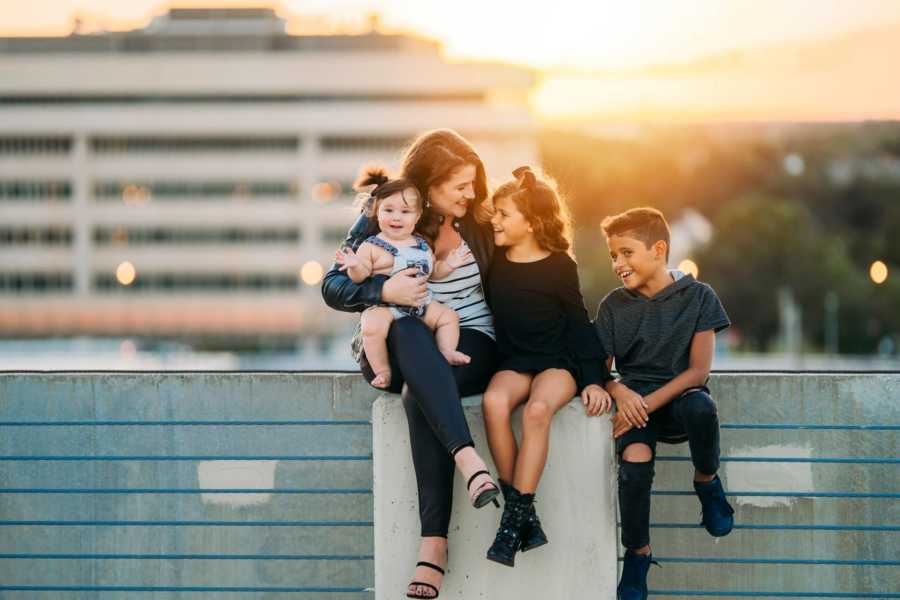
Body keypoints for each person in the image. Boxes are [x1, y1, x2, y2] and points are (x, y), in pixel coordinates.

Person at [321, 129, 500, 599]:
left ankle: (433, 547)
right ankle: (468, 458)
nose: (472, 193)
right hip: (398, 342)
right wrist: (383, 291)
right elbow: (333, 286)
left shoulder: (481, 221)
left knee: (416, 394)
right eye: (460, 185)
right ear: (429, 185)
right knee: (404, 328)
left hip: (469, 339)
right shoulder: (388, 213)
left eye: (473, 182)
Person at [594, 207, 734, 600]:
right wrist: (619, 392)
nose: (618, 263)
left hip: (676, 401)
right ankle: (638, 554)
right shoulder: (613, 306)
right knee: (633, 472)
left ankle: (707, 483)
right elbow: (599, 372)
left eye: (626, 252)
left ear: (658, 250)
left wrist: (647, 402)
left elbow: (698, 373)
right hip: (635, 408)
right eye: (613, 256)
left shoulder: (699, 296)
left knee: (701, 408)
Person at [481, 166, 612, 568]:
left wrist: (595, 380)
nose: (495, 221)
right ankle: (524, 517)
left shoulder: (559, 265)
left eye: (504, 214)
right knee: (493, 403)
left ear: (532, 221)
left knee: (538, 411)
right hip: (515, 360)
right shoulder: (494, 260)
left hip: (557, 361)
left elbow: (578, 323)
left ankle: (510, 524)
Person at [335, 166, 473, 389]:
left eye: (405, 212)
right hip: (386, 308)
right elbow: (360, 277)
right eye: (388, 210)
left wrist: (449, 264)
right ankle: (382, 371)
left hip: (421, 304)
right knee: (371, 326)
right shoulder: (372, 246)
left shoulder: (421, 244)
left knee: (448, 317)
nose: (396, 217)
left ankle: (446, 351)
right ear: (376, 213)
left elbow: (433, 272)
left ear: (417, 217)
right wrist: (353, 265)